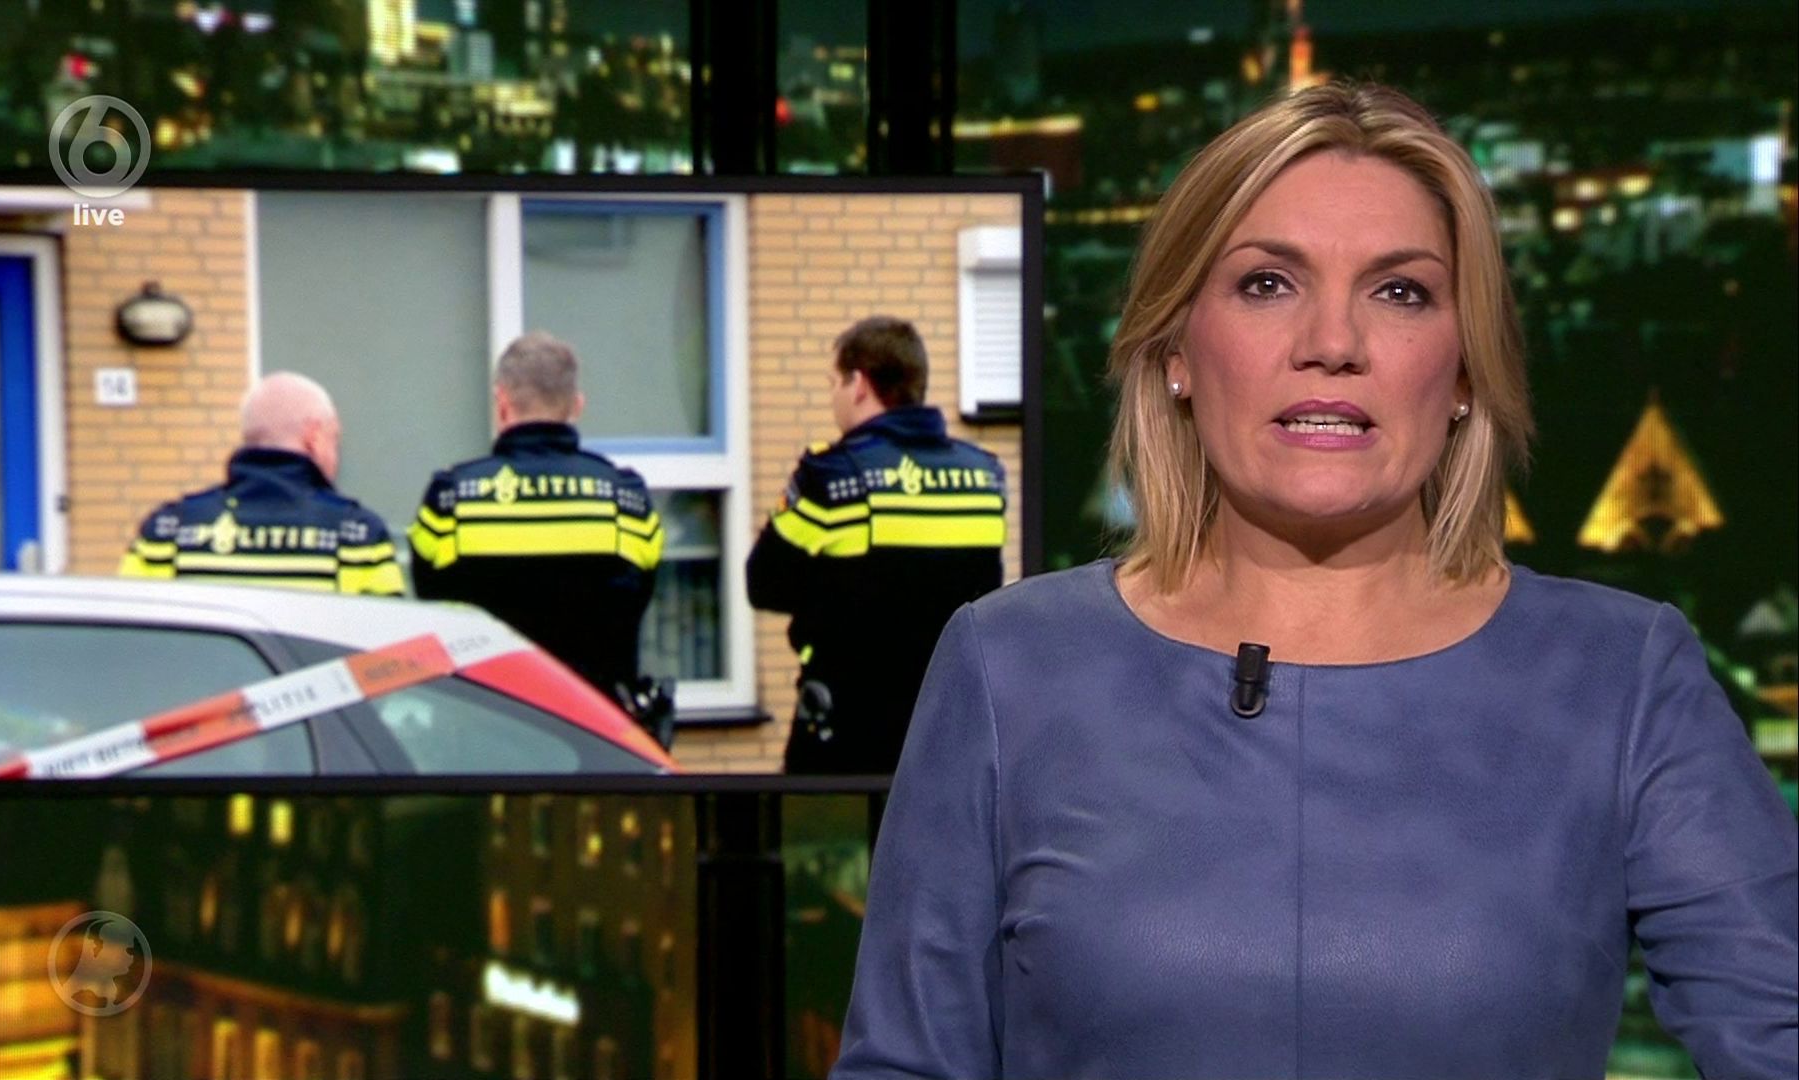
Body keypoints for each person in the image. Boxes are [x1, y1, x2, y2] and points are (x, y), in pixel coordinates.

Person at [834, 84, 1797, 1078]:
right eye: (1267, 284)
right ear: (1175, 349)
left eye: (1400, 292)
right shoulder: (1008, 667)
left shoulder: (1621, 678)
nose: (1333, 344)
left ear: (1466, 370)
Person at [747, 316, 1008, 775]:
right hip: (950, 733)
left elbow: (763, 582)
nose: (833, 397)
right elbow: (983, 589)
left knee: (825, 826)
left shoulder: (834, 475)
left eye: (834, 383)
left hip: (849, 731)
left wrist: (830, 592)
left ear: (859, 385)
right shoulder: (984, 476)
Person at [408, 332, 662, 701]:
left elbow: (432, 605)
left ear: (501, 403)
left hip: (484, 715)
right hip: (595, 719)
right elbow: (635, 600)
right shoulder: (624, 498)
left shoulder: (450, 499)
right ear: (576, 406)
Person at [118, 372, 404, 595]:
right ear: (314, 437)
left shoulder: (168, 530)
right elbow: (383, 645)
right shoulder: (356, 536)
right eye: (334, 439)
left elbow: (131, 634)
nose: (336, 454)